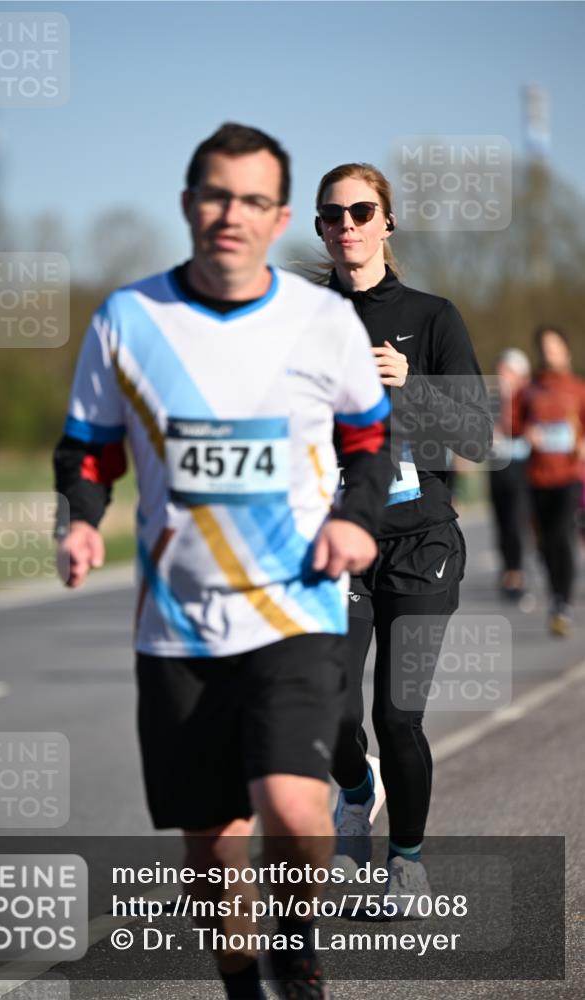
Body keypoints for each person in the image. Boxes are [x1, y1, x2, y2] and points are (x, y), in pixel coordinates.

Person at [54, 125, 392, 1000]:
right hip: (178, 625)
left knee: (292, 807)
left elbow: (369, 441)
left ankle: (295, 941)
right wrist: (82, 520)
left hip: (297, 607)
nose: (229, 214)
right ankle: (243, 989)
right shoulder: (128, 320)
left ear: (280, 217)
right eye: (214, 196)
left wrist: (356, 520)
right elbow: (88, 448)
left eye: (251, 200)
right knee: (210, 845)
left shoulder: (321, 322)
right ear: (187, 205)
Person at [314, 162, 492, 908]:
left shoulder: (431, 316)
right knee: (328, 703)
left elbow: (479, 438)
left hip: (419, 544)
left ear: (387, 223)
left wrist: (408, 384)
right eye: (332, 216)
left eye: (361, 211)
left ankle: (407, 860)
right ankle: (355, 791)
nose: (347, 225)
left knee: (397, 715)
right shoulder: (296, 318)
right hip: (335, 539)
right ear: (321, 230)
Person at [511, 325, 585, 636]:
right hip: (537, 475)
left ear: (565, 350)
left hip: (568, 475)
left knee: (560, 535)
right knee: (543, 542)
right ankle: (557, 593)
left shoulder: (578, 389)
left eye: (554, 346)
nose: (549, 352)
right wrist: (527, 432)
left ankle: (562, 601)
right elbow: (513, 426)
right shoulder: (528, 391)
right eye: (544, 347)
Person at [488, 349, 532, 603]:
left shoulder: (527, 399)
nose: (503, 376)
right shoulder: (492, 399)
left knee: (516, 520)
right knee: (501, 521)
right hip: (497, 467)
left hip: (520, 465)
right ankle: (508, 569)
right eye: (500, 370)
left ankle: (517, 571)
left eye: (508, 371)